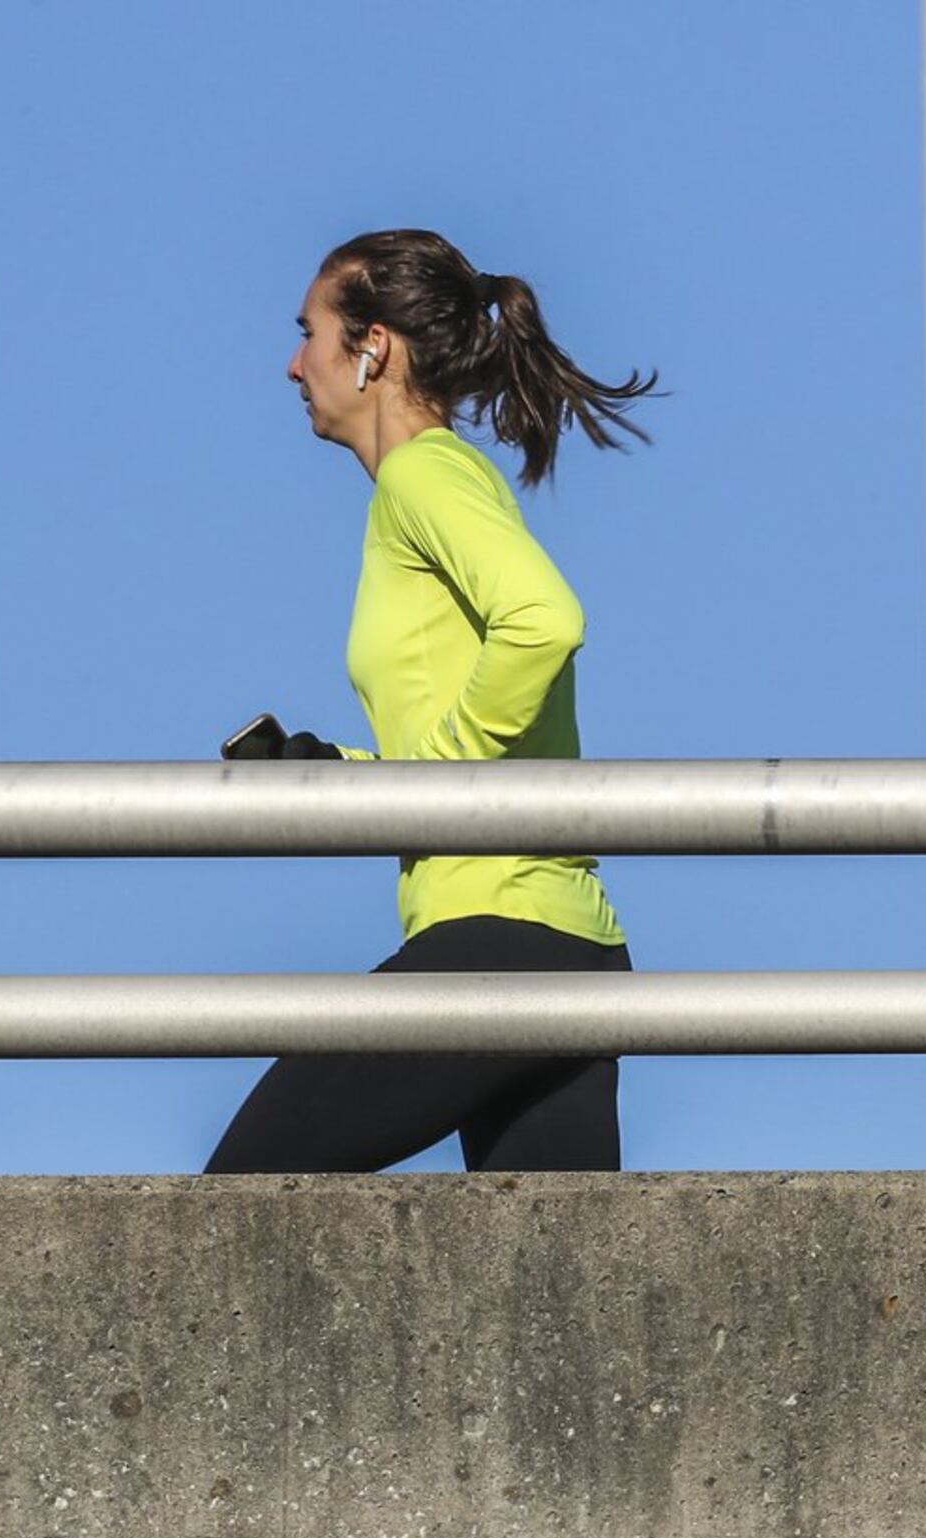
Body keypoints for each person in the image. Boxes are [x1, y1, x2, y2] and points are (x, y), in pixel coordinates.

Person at [205, 230, 657, 1173]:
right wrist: (345, 776)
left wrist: (442, 773)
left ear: (373, 347)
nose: (293, 364)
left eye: (309, 333)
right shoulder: (444, 480)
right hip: (563, 944)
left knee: (230, 1213)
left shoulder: (424, 473)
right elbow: (465, 725)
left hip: (500, 940)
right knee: (556, 1306)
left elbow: (544, 619)